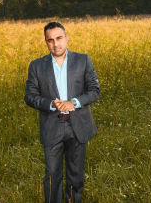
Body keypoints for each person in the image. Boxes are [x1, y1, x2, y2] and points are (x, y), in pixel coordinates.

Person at [24, 21, 100, 203]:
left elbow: (94, 91)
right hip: (52, 125)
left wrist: (73, 103)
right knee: (51, 175)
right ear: (46, 42)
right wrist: (50, 103)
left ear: (66, 38)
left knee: (76, 175)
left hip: (78, 126)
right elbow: (30, 96)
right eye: (50, 40)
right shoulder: (36, 66)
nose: (55, 44)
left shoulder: (83, 60)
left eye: (59, 38)